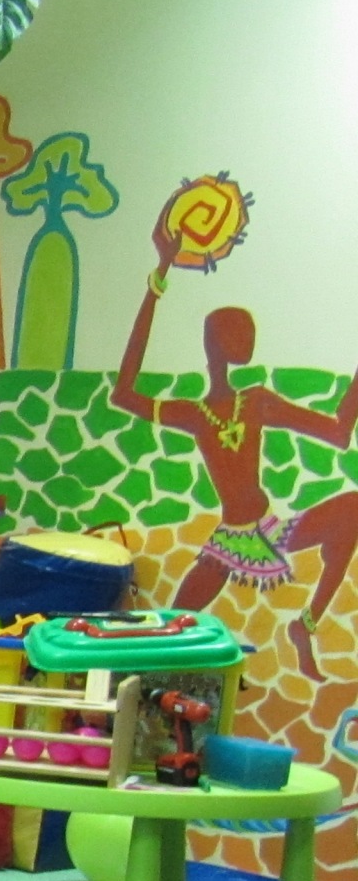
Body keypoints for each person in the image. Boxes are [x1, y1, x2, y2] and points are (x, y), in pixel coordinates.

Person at [111, 199, 358, 683]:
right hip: (230, 541)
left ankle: (305, 626)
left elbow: (336, 432)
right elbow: (123, 393)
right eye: (236, 331)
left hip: (272, 529)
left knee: (352, 508)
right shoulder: (194, 414)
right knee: (172, 624)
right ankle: (146, 683)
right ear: (215, 342)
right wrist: (158, 278)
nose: (246, 338)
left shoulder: (257, 401)